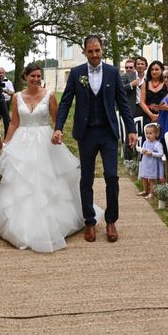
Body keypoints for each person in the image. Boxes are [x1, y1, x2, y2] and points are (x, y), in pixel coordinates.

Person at [0, 63, 87, 252]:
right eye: (32, 76)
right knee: (20, 183)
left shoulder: (49, 95)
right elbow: (13, 123)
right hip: (22, 139)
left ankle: (54, 224)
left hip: (45, 141)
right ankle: (17, 226)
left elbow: (56, 120)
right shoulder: (17, 97)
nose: (36, 79)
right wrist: (6, 144)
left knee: (48, 181)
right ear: (25, 76)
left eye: (38, 76)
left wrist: (58, 133)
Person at [53, 35, 137, 243]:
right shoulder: (76, 73)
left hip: (108, 132)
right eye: (90, 51)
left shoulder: (112, 72)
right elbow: (65, 103)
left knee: (111, 176)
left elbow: (123, 103)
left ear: (102, 50)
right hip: (86, 133)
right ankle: (89, 221)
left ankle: (110, 221)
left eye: (97, 50)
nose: (94, 55)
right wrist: (59, 127)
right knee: (87, 178)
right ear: (84, 52)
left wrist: (131, 129)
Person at [138, 124, 164, 198]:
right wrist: (143, 150)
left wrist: (152, 153)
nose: (148, 135)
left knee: (151, 179)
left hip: (152, 164)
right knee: (144, 177)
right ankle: (145, 190)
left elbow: (161, 154)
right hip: (145, 163)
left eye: (150, 133)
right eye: (147, 133)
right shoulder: (146, 142)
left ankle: (152, 192)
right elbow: (141, 149)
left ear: (156, 134)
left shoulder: (157, 144)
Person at [139, 60, 168, 125]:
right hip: (147, 115)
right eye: (152, 69)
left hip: (163, 115)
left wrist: (159, 115)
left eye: (157, 69)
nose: (154, 72)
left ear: (162, 70)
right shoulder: (145, 83)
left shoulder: (167, 83)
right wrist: (151, 115)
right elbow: (142, 102)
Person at [0, 67, 15, 137]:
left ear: (4, 73)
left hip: (5, 102)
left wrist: (5, 91)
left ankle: (7, 135)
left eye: (2, 73)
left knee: (6, 119)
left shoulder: (8, 82)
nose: (1, 74)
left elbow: (13, 92)